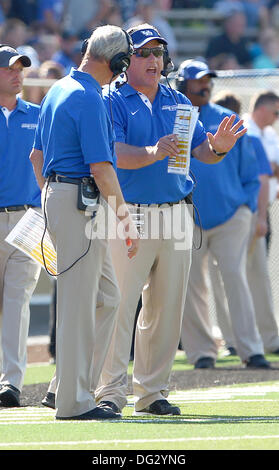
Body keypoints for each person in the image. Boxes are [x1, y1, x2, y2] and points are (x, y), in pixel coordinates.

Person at [94, 23, 247, 417]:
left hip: (176, 212)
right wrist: (152, 152)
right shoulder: (109, 100)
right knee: (119, 306)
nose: (153, 60)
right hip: (128, 214)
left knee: (166, 310)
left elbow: (201, 152)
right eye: (144, 53)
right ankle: (109, 392)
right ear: (127, 60)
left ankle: (151, 393)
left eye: (158, 53)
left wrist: (219, 148)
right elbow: (111, 154)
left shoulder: (178, 101)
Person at [30, 24, 139, 421]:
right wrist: (126, 221)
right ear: (118, 61)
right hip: (79, 202)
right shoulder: (90, 97)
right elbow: (102, 168)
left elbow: (35, 158)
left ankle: (67, 385)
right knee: (79, 304)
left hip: (66, 198)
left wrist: (51, 197)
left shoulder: (58, 88)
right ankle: (74, 403)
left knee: (106, 297)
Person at [176, 59, 270, 369]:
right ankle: (202, 352)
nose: (206, 85)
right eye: (198, 80)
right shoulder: (174, 119)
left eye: (208, 80)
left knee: (235, 279)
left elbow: (252, 172)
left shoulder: (228, 119)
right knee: (191, 285)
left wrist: (248, 208)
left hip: (232, 215)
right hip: (188, 216)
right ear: (182, 84)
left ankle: (251, 349)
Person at [209, 90, 279, 356]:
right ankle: (242, 341)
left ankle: (256, 340)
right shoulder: (239, 138)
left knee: (245, 278)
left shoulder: (249, 138)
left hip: (242, 215)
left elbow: (261, 179)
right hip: (235, 215)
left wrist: (259, 217)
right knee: (241, 279)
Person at [0, 45, 41, 407]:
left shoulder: (39, 115)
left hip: (29, 219)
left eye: (21, 68)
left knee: (17, 303)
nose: (18, 74)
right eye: (10, 68)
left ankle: (10, 384)